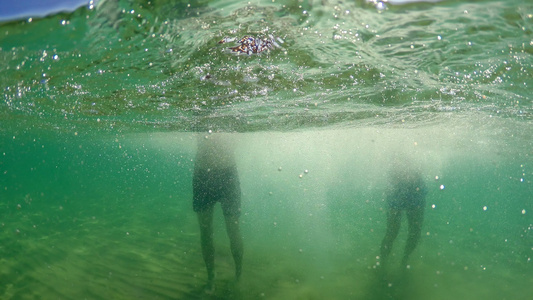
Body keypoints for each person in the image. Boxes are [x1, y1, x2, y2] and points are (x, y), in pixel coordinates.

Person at [192, 132, 243, 294]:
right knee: (205, 231)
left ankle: (239, 276)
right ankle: (210, 278)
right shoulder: (197, 109)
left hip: (228, 173)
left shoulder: (233, 110)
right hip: (202, 174)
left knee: (233, 229)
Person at [380, 163, 427, 268]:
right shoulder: (401, 153)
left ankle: (404, 261)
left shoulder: (415, 154)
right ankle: (383, 264)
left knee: (414, 232)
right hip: (398, 191)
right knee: (392, 232)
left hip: (415, 192)